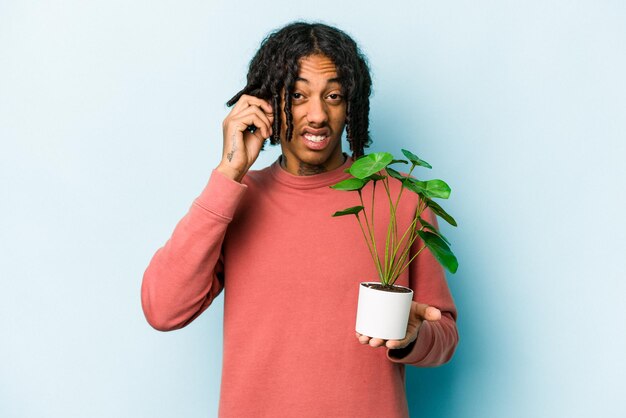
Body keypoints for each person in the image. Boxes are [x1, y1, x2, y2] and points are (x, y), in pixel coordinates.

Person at [141, 21, 458, 418]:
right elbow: (163, 308)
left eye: (334, 95)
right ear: (269, 102)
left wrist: (414, 336)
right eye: (297, 95)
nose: (317, 115)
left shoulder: (402, 199)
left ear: (352, 105)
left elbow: (443, 333)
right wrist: (228, 173)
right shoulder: (237, 197)